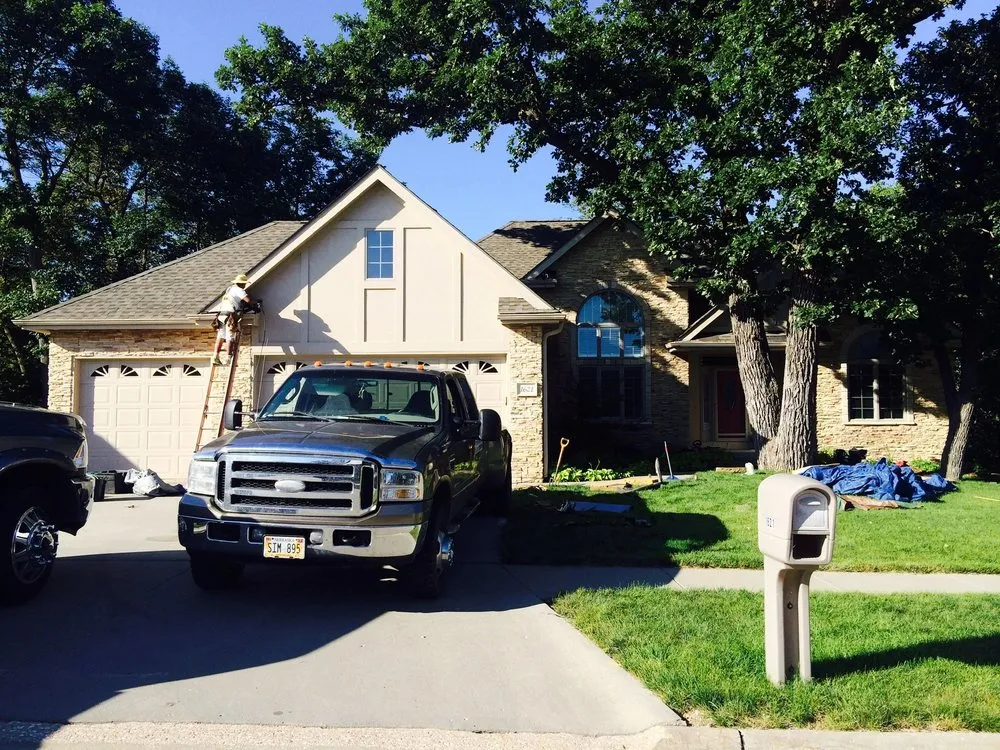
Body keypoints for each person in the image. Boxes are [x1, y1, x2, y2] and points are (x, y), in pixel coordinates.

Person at [212, 274, 253, 365]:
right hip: (230, 316)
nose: (245, 285)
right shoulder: (239, 290)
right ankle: (228, 358)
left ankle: (215, 356)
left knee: (221, 336)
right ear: (241, 283)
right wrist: (255, 305)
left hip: (221, 315)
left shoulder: (229, 289)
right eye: (244, 284)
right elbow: (248, 300)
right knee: (229, 337)